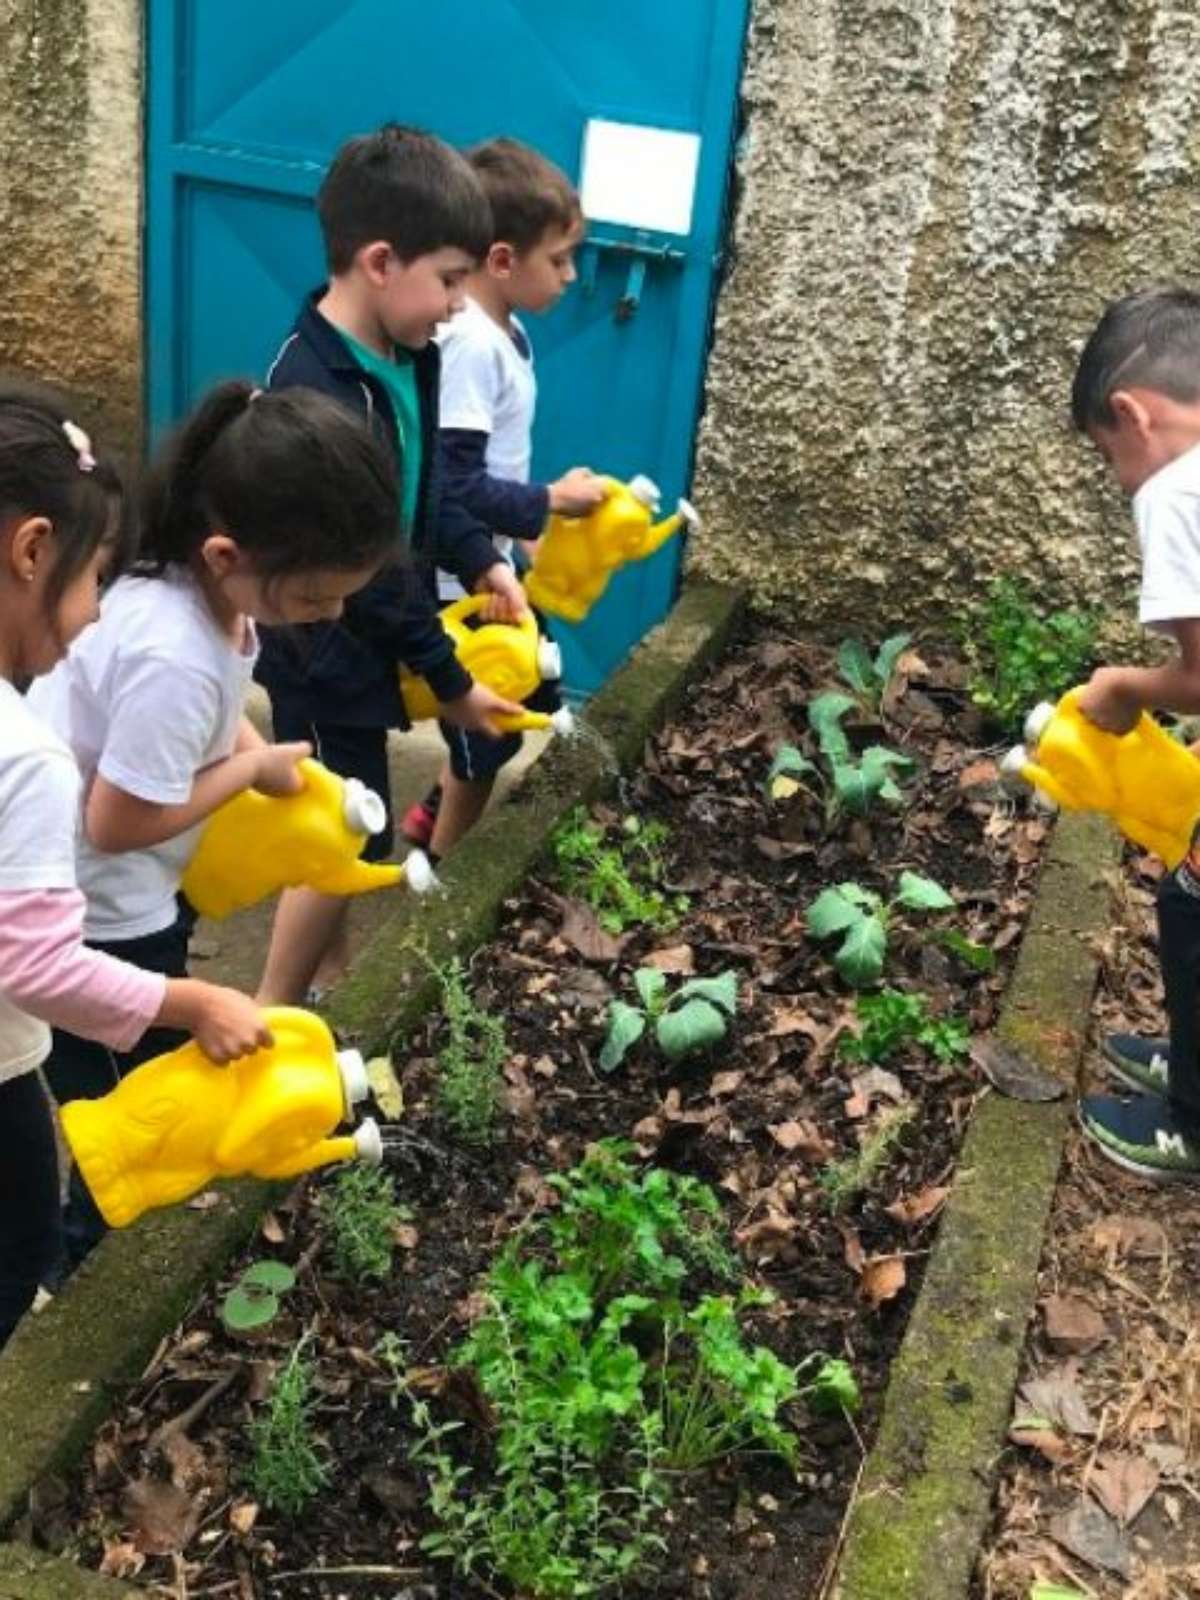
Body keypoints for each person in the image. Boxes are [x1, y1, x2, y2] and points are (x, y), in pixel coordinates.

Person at [29, 378, 401, 1271]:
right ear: (228, 552)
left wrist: (249, 745)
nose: (331, 614)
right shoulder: (175, 653)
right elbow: (115, 821)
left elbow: (205, 711)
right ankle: (83, 1264)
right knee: (137, 1110)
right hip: (99, 912)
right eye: (314, 598)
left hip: (126, 890)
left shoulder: (192, 593)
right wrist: (249, 768)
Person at [0, 382, 273, 1342]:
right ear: (32, 551)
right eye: (92, 579)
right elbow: (32, 966)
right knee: (26, 1228)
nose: (89, 618)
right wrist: (191, 1002)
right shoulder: (26, 757)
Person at [254, 123, 525, 1006]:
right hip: (321, 648)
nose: (458, 302)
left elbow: (426, 494)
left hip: (368, 635)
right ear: (379, 261)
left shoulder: (413, 357)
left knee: (348, 823)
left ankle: (325, 982)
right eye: (450, 279)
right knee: (347, 832)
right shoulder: (318, 393)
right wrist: (448, 682)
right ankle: (274, 1014)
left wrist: (482, 558)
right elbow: (369, 567)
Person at [401, 137, 608, 857]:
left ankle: (434, 812)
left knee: (533, 693)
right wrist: (546, 501)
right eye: (558, 260)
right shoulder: (469, 345)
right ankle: (442, 876)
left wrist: (524, 536)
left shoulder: (506, 332)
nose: (571, 276)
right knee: (486, 735)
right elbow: (452, 479)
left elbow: (489, 461)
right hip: (458, 579)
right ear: (500, 260)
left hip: (489, 564)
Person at [1072, 284, 1200, 1177]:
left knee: (1191, 909)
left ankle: (1190, 1122)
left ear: (1133, 415)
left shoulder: (1175, 492)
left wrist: (1122, 689)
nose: (1120, 479)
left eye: (1107, 455)